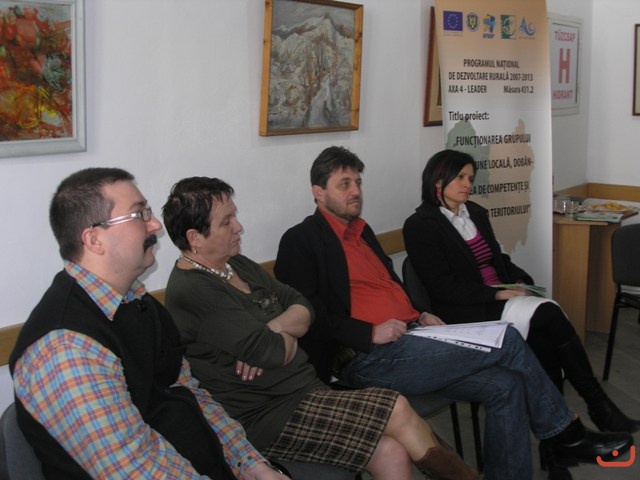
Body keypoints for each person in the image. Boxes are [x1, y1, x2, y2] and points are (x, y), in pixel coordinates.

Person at [273, 145, 634, 480]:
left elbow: (389, 287)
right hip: (369, 357)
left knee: (506, 385)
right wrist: (369, 333)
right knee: (507, 337)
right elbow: (310, 313)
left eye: (358, 182)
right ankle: (565, 433)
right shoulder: (301, 240)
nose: (356, 191)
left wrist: (419, 312)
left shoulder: (361, 231)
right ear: (318, 192)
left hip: (413, 336)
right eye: (344, 184)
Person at [161, 176, 480, 480]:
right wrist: (283, 331)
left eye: (235, 216)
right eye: (226, 221)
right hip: (267, 415)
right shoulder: (194, 290)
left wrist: (273, 325)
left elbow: (303, 306)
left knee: (391, 451)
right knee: (396, 408)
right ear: (195, 238)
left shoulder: (236, 265)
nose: (238, 226)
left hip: (305, 390)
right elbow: (274, 352)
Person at [9, 168, 288, 480]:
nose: (155, 224)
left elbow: (188, 393)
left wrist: (251, 464)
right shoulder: (66, 349)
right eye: (139, 214)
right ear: (95, 239)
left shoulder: (136, 302)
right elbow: (135, 468)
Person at [402, 149, 640, 436]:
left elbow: (497, 259)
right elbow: (442, 286)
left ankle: (558, 437)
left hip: (497, 298)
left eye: (471, 178)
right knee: (549, 312)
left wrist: (520, 280)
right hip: (464, 310)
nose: (468, 184)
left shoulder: (474, 212)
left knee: (544, 341)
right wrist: (494, 294)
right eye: (461, 177)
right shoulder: (420, 225)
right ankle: (597, 406)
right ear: (438, 181)